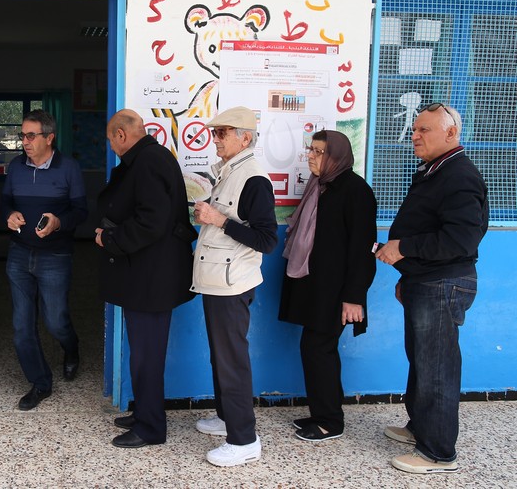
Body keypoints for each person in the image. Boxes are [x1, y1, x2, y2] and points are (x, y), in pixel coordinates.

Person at [376, 103, 488, 474]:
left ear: (451, 133)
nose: (415, 136)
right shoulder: (434, 171)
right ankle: (420, 428)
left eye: (424, 130)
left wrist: (404, 249)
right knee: (422, 361)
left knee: (437, 367)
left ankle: (439, 453)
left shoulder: (460, 175)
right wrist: (408, 276)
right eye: (415, 129)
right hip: (425, 281)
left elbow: (460, 239)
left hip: (443, 284)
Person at [95, 109, 196, 448]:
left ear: (121, 135)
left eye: (111, 139)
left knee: (147, 356)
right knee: (141, 354)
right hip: (147, 276)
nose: (111, 146)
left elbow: (152, 222)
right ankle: (144, 413)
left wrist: (109, 239)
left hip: (153, 279)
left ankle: (151, 428)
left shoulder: (149, 161)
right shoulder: (148, 158)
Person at [191, 106, 278, 467]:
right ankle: (228, 417)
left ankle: (244, 441)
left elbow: (267, 239)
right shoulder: (230, 172)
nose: (216, 139)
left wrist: (219, 220)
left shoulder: (254, 178)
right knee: (221, 357)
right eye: (215, 132)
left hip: (232, 283)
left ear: (245, 137)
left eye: (223, 132)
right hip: (217, 281)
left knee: (232, 362)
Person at [279, 130, 377, 442]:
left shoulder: (355, 191)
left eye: (319, 151)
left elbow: (363, 250)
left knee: (319, 348)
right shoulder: (320, 186)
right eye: (311, 149)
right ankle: (321, 411)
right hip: (317, 286)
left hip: (336, 292)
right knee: (314, 347)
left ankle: (330, 421)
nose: (311, 155)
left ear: (336, 156)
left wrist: (353, 298)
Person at [1, 109, 88, 410]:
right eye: (22, 135)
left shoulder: (69, 168)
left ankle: (72, 348)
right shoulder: (16, 167)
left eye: (30, 135)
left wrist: (58, 222)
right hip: (19, 254)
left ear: (49, 137)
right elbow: (6, 202)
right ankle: (40, 383)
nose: (24, 141)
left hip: (55, 256)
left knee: (55, 321)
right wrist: (8, 215)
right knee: (22, 325)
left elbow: (81, 211)